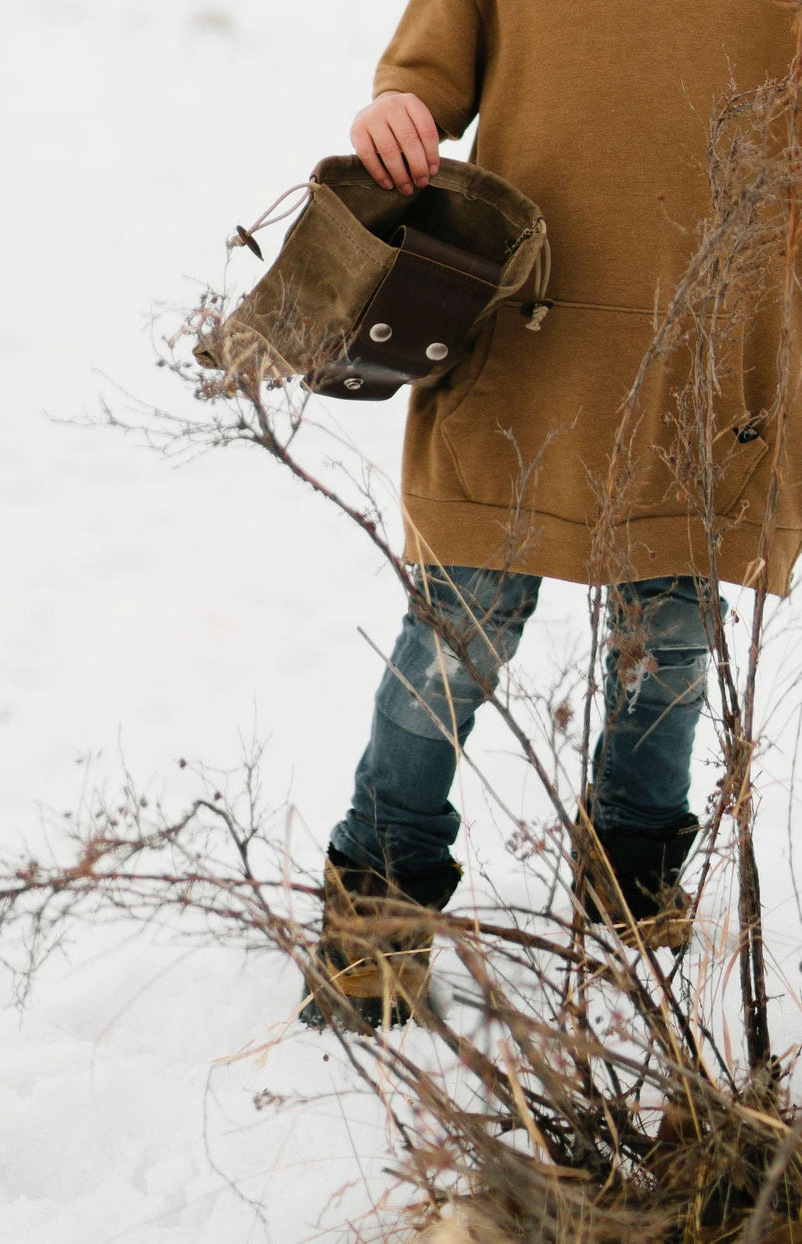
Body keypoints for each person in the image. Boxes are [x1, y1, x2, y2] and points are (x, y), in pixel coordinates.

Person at [303, 0, 802, 1029]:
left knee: (665, 633)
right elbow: (426, 67)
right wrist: (398, 106)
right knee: (455, 629)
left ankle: (629, 876)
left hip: (704, 333)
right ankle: (378, 900)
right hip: (528, 324)